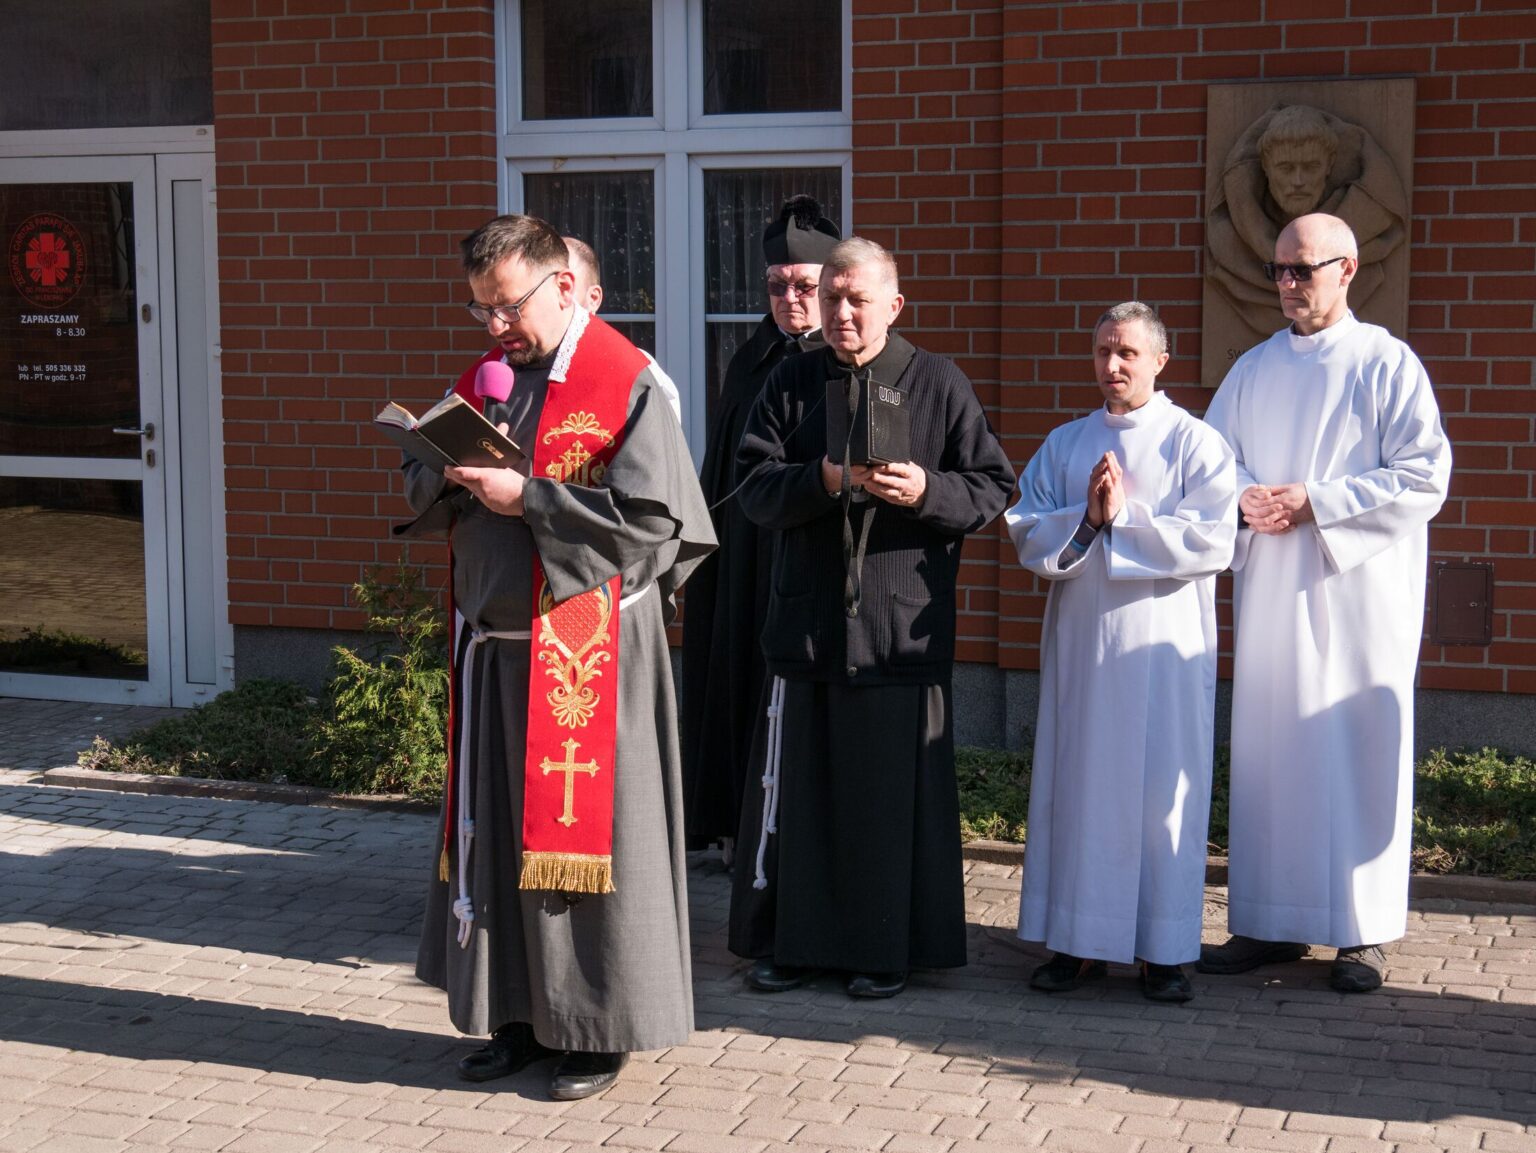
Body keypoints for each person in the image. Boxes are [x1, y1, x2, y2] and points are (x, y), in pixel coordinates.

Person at [406, 214, 715, 1098]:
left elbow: (655, 521)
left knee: (588, 846)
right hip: (493, 652)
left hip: (588, 653)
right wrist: (441, 468)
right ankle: (513, 1016)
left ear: (563, 284)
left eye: (507, 306)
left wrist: (528, 499)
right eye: (481, 310)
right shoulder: (488, 378)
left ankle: (592, 1030)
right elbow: (426, 481)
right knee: (499, 840)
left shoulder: (624, 380)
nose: (495, 326)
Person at [728, 236, 1015, 999]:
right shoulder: (791, 380)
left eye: (857, 299)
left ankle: (884, 950)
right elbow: (750, 487)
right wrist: (822, 480)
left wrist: (925, 490)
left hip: (897, 631)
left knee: (883, 805)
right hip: (809, 628)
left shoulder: (937, 381)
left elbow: (992, 486)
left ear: (894, 304)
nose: (841, 312)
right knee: (804, 801)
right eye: (831, 298)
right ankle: (794, 945)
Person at [1201, 212, 1451, 993]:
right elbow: (1211, 463)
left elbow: (1424, 475)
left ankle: (1362, 930)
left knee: (1356, 746)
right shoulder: (1253, 369)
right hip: (1274, 592)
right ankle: (1269, 919)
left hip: (1359, 597)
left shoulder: (1387, 363)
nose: (1287, 283)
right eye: (1278, 269)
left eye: (1302, 269)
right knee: (1272, 747)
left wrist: (1320, 501)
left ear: (1347, 269)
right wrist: (1244, 496)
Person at [1005, 302, 1236, 1004]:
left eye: (1127, 353)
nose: (1112, 365)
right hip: (1084, 649)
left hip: (1164, 654)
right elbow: (1026, 526)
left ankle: (1163, 951)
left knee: (1159, 797)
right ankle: (1076, 943)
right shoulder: (1066, 442)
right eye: (1104, 351)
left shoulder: (1196, 443)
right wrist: (1086, 521)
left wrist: (1122, 520)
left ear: (1160, 360)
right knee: (1079, 790)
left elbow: (1213, 539)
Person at [679, 195, 837, 855]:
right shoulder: (751, 359)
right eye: (776, 286)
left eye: (803, 286)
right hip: (745, 548)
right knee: (736, 667)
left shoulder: (843, 360)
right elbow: (724, 467)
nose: (788, 299)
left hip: (806, 545)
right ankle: (736, 822)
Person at [563, 236, 683, 425]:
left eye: (563, 288)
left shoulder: (636, 370)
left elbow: (662, 438)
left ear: (593, 299)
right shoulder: (514, 366)